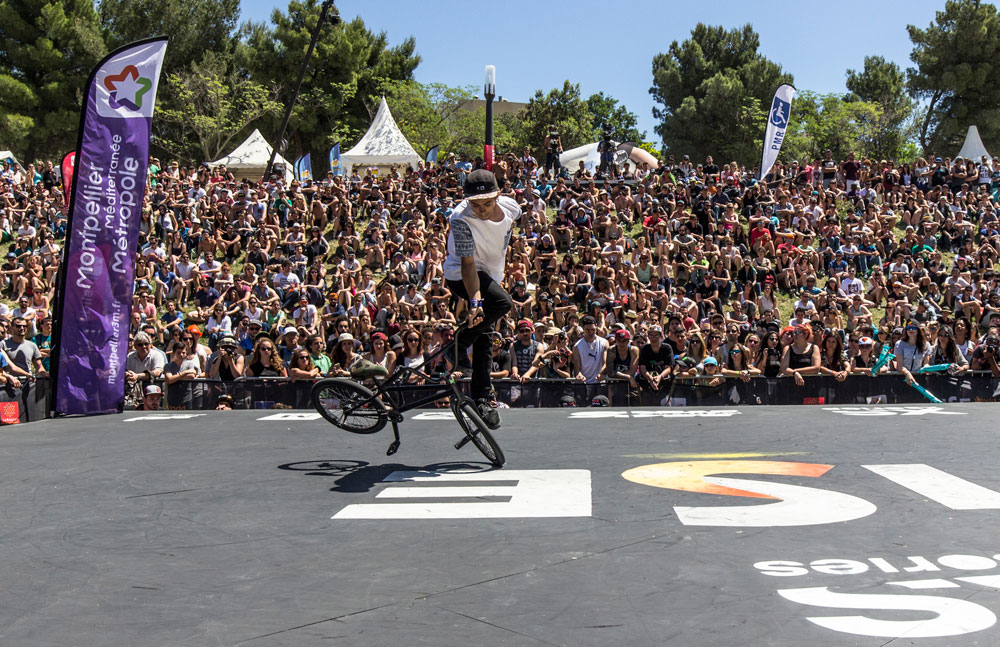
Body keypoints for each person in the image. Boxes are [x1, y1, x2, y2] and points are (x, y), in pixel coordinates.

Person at [442, 169, 516, 428]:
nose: (481, 210)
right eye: (475, 205)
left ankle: (483, 396)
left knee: (484, 333)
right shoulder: (460, 219)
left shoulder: (512, 209)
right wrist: (474, 302)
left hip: (489, 275)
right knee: (502, 303)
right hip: (460, 275)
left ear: (498, 195)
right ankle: (458, 344)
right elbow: (468, 265)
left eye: (487, 203)